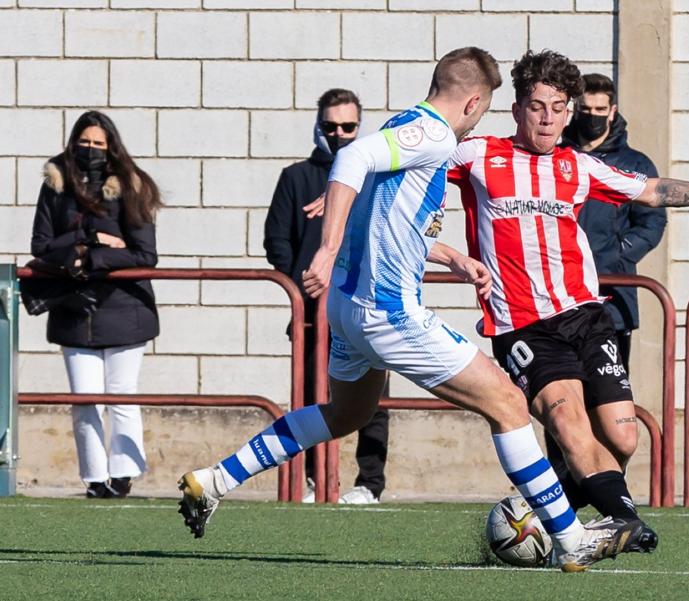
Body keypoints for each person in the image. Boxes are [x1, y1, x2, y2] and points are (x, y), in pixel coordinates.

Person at [178, 46, 652, 573]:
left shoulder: (405, 130)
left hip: (347, 309)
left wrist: (450, 254)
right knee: (508, 406)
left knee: (346, 415)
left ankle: (214, 479)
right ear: (473, 100)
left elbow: (391, 220)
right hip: (389, 312)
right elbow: (351, 158)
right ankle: (570, 537)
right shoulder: (432, 133)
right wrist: (327, 246)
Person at [446, 50, 689, 521]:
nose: (548, 119)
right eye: (538, 106)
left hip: (586, 315)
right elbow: (411, 161)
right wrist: (348, 188)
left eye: (558, 107)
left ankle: (548, 511)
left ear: (570, 111)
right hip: (525, 325)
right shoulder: (478, 154)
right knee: (569, 422)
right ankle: (625, 523)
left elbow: (652, 191)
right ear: (518, 108)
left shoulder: (577, 166)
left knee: (624, 436)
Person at [264, 88, 389, 505]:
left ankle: (369, 483)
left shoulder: (375, 175)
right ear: (318, 126)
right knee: (311, 396)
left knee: (373, 400)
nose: (339, 134)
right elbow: (277, 242)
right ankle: (313, 479)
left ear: (360, 126)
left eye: (349, 126)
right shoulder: (296, 177)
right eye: (331, 126)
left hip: (366, 307)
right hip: (312, 316)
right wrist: (307, 285)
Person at [28, 110, 162, 499]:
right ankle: (93, 477)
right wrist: (93, 243)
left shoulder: (132, 186)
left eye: (99, 144)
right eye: (84, 143)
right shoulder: (55, 185)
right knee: (84, 399)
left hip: (125, 307)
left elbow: (144, 255)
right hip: (72, 305)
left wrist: (93, 256)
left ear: (112, 147)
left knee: (121, 395)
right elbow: (40, 246)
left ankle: (124, 474)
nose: (90, 150)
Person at [561, 73, 665, 368]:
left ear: (613, 111)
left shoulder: (635, 164)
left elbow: (652, 222)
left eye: (599, 110)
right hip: (560, 292)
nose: (592, 117)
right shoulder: (555, 157)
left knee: (612, 392)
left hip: (613, 294)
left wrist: (618, 254)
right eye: (585, 110)